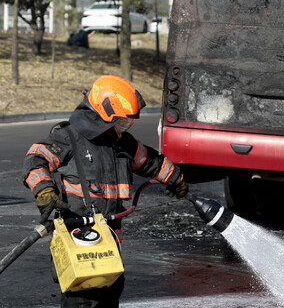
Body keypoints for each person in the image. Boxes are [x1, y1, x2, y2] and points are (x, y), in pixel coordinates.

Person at [21, 75, 188, 307]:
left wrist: (175, 178)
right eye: (122, 121)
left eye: (128, 123)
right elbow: (36, 159)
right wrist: (44, 191)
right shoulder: (68, 137)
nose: (125, 127)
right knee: (82, 300)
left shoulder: (122, 144)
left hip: (109, 243)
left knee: (111, 296)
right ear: (103, 112)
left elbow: (151, 162)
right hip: (78, 241)